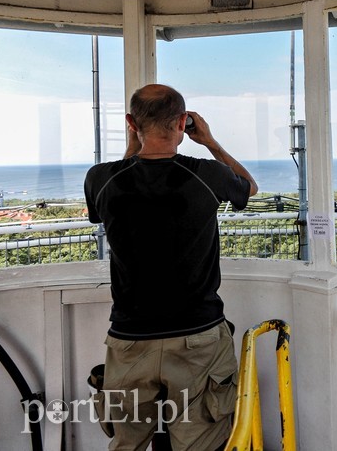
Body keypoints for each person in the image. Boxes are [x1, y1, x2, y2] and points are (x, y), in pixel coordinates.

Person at [84, 84, 258, 450]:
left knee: (126, 443)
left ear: (131, 123)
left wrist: (135, 144)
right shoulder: (207, 175)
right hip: (198, 336)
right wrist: (209, 141)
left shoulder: (100, 179)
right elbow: (249, 187)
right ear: (183, 122)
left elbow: (110, 192)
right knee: (200, 443)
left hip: (130, 338)